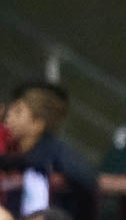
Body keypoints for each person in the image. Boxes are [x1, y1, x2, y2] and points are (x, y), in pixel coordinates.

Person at [0, 81, 98, 212]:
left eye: (18, 112)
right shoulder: (12, 150)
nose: (8, 116)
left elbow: (87, 178)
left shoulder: (51, 155)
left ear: (37, 125)